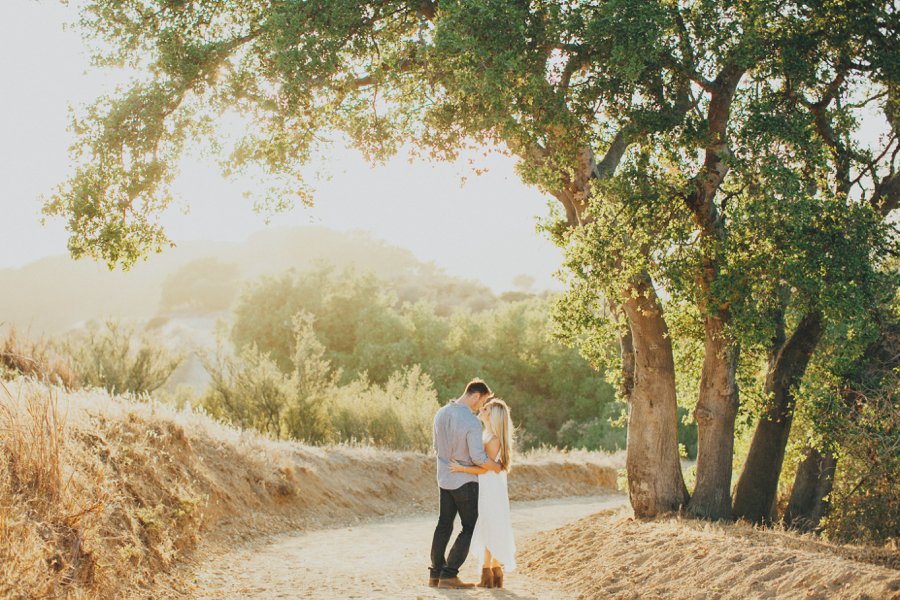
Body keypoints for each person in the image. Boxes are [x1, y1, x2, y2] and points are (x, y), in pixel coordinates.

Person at [429, 379, 502, 589]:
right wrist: (495, 466)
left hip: (444, 477)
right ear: (476, 396)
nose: (480, 407)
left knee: (444, 524)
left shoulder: (440, 413)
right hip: (464, 482)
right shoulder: (470, 421)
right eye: (483, 402)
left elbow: (436, 446)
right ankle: (449, 574)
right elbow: (478, 457)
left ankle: (435, 574)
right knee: (470, 526)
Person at [450, 398, 516, 589]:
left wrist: (460, 469)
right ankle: (493, 571)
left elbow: (484, 469)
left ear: (492, 415)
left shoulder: (493, 439)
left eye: (485, 408)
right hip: (487, 486)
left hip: (491, 488)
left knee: (489, 526)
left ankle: (488, 573)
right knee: (489, 526)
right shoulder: (487, 434)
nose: (481, 408)